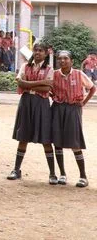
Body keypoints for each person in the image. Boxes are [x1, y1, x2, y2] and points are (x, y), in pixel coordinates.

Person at [7, 43, 56, 183]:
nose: (37, 53)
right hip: (26, 102)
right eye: (35, 50)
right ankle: (16, 169)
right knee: (23, 136)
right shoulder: (25, 66)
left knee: (46, 138)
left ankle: (52, 173)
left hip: (42, 104)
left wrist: (29, 84)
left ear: (46, 53)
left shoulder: (50, 69)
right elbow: (20, 84)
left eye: (41, 51)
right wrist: (40, 83)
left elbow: (47, 88)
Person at [50, 50, 93, 188]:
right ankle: (62, 174)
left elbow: (92, 88)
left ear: (71, 61)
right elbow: (48, 87)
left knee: (75, 141)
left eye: (66, 58)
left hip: (73, 108)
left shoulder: (79, 74)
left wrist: (84, 102)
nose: (62, 61)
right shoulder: (54, 74)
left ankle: (83, 176)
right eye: (60, 58)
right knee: (57, 141)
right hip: (57, 108)